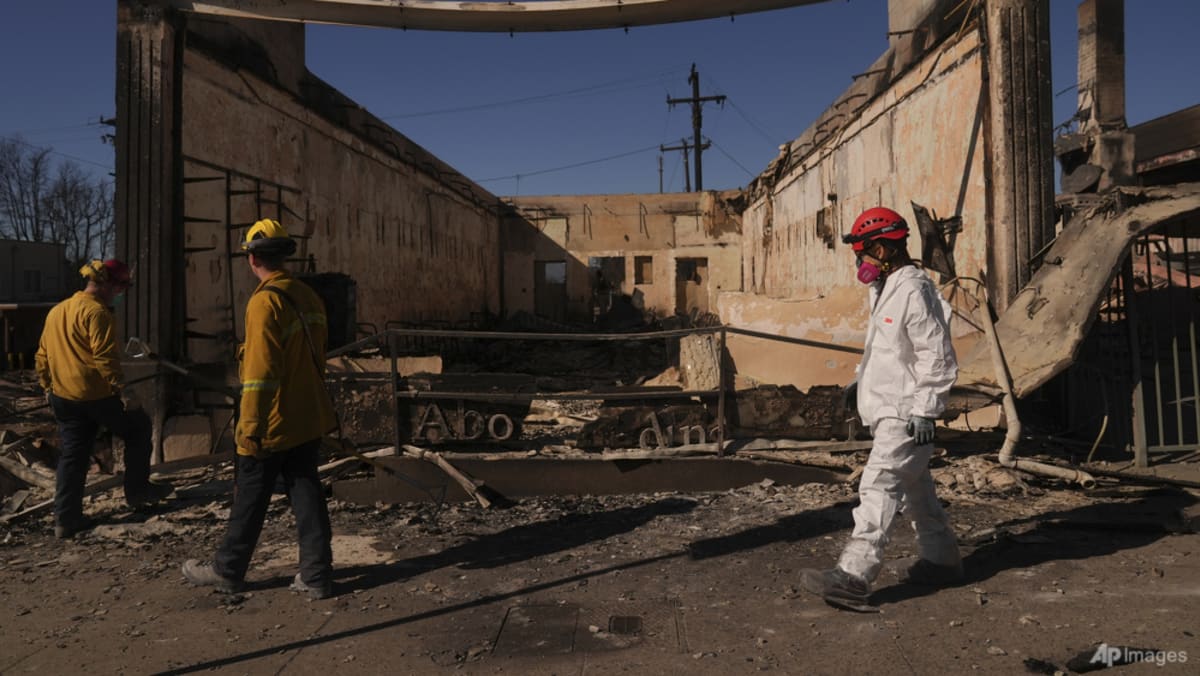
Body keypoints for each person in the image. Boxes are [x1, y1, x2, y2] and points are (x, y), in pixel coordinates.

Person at [800, 206, 960, 612]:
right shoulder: (884, 289)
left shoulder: (913, 289)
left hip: (906, 412)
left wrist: (926, 409)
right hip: (890, 406)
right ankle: (941, 560)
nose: (859, 260)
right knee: (917, 491)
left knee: (878, 485)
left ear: (885, 249)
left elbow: (936, 355)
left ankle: (854, 575)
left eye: (863, 250)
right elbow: (888, 351)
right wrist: (859, 384)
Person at [182, 219, 337, 600]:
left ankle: (228, 569)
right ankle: (316, 575)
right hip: (307, 415)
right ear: (286, 255)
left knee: (251, 494)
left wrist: (249, 427)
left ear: (251, 258)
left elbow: (260, 374)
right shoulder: (308, 296)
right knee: (305, 492)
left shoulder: (264, 301)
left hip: (272, 420)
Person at [36, 259, 174, 538]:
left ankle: (66, 519)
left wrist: (47, 387)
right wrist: (124, 390)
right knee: (138, 428)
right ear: (110, 284)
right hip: (94, 394)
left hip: (63, 396)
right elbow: (104, 358)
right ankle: (138, 492)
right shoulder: (98, 312)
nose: (122, 292)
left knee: (73, 456)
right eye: (123, 286)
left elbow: (41, 356)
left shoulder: (57, 311)